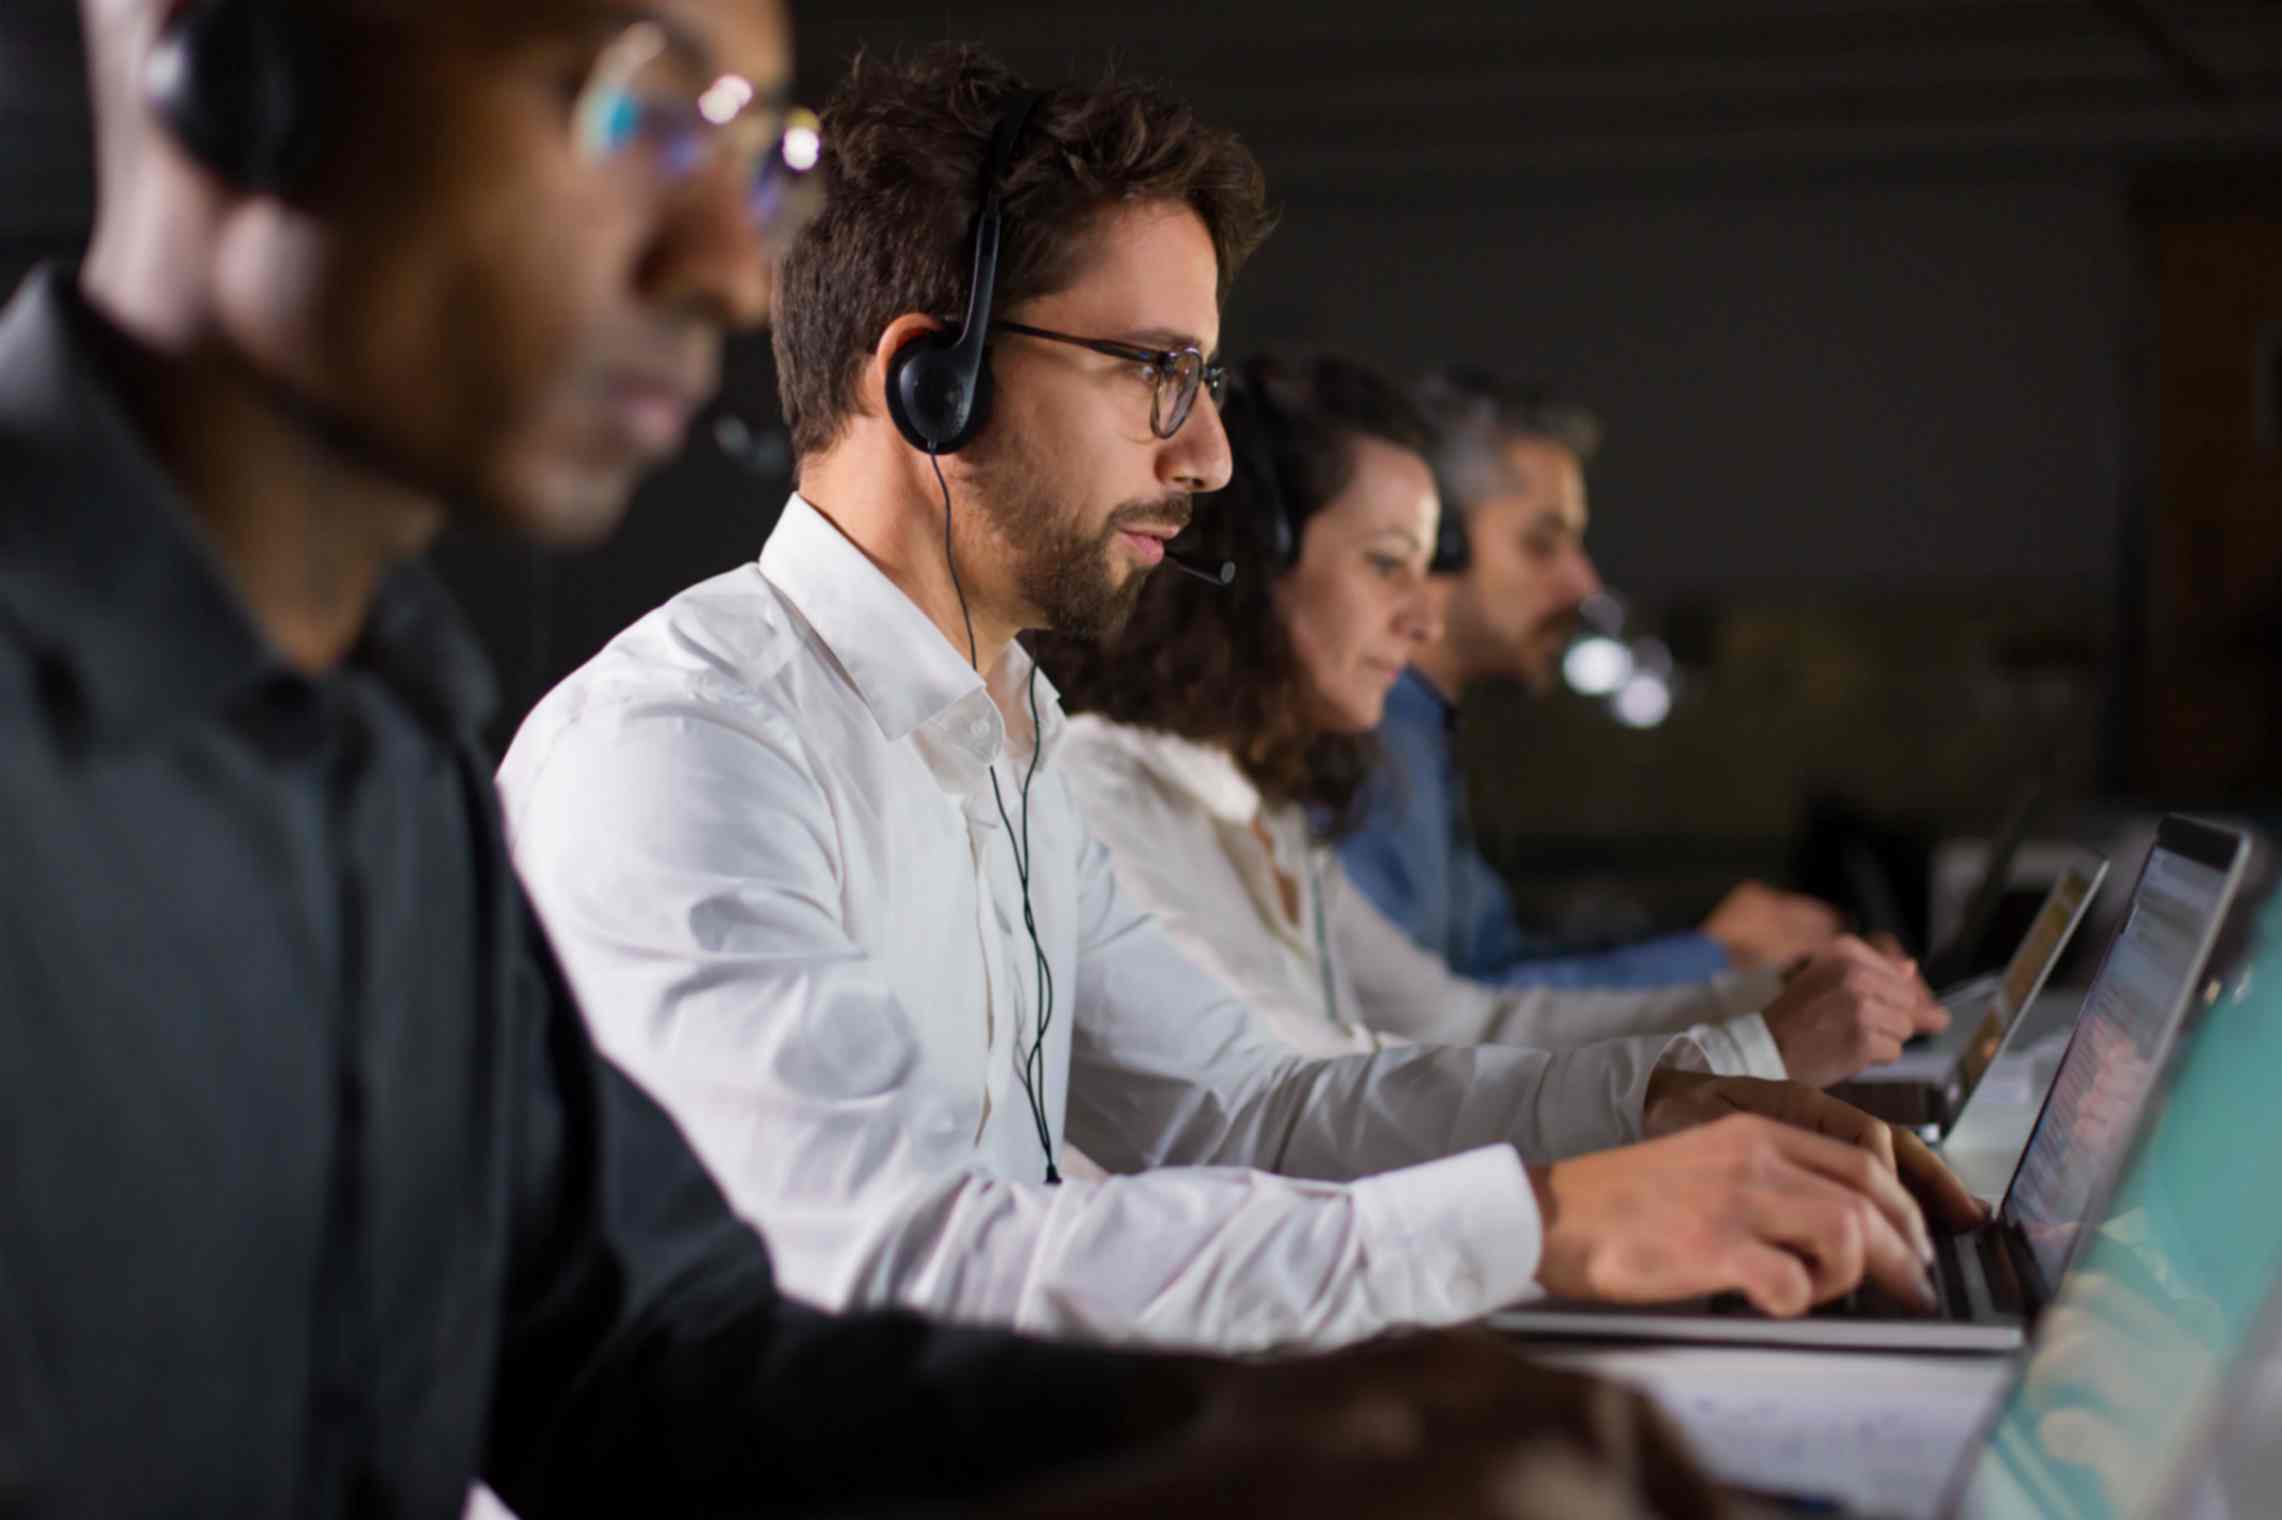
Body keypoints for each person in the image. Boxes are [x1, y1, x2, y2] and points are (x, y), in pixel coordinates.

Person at [0, 2, 1734, 1515]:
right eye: (630, 99)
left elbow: (644, 1369)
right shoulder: (660, 748)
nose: (710, 253)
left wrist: (1279, 1435)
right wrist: (1512, 1239)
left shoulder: (380, 758)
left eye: (748, 146)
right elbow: (855, 1276)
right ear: (237, 70)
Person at [498, 44, 1980, 1362]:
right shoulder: (686, 750)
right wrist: (1540, 1228)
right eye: (1155, 372)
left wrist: (1657, 1111)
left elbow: (1246, 1110)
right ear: (928, 383)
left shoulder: (1014, 734)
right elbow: (886, 1267)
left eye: (1198, 378)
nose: (1207, 455)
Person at [1041, 351, 1947, 1090]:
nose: (1425, 617)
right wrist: (1745, 1048)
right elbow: (1295, 1105)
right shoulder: (1109, 796)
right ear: (1251, 567)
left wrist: (1759, 1001)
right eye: (1388, 565)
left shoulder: (1262, 810)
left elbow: (1469, 1024)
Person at [1338, 366, 1850, 988]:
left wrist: (1711, 944)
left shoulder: (1419, 733)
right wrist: (1713, 958)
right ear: (1435, 540)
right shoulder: (1364, 738)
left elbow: (1490, 965)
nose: (1583, 583)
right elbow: (1431, 1023)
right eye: (1542, 543)